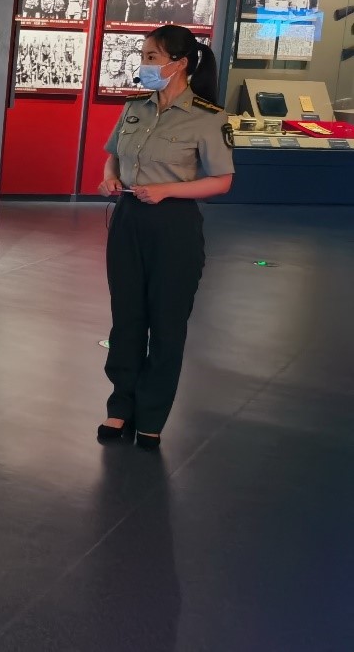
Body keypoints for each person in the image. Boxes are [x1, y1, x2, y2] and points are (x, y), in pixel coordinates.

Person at [97, 25, 234, 451]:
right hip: (128, 221)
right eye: (144, 56)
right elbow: (113, 157)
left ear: (180, 64)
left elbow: (222, 181)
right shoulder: (134, 109)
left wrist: (166, 190)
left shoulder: (209, 117)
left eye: (152, 57)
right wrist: (110, 178)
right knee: (127, 318)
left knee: (167, 323)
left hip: (174, 225)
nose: (144, 64)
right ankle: (120, 406)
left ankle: (152, 415)